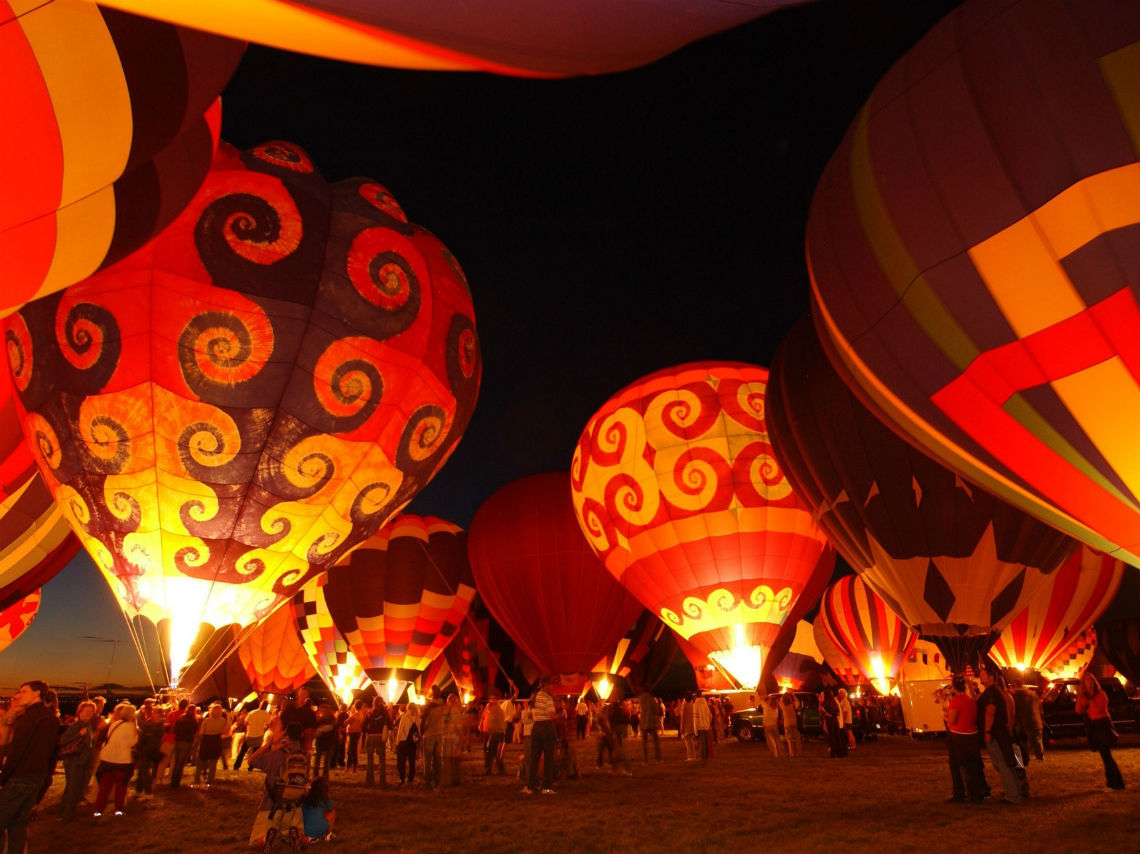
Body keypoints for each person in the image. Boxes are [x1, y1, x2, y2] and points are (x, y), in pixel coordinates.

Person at [0, 680, 58, 851]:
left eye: (24, 691)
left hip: (20, 778)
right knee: (17, 824)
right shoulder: (48, 717)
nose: (19, 694)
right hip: (34, 778)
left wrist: (3, 778)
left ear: (36, 694)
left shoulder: (32, 717)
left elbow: (18, 752)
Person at [249, 721, 308, 853]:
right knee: (293, 826)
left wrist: (270, 743)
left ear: (286, 735)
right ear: (302, 735)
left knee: (256, 841)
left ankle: (264, 839)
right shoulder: (305, 756)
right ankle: (293, 835)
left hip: (271, 804)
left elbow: (252, 760)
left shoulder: (276, 754)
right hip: (294, 804)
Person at [977, 667, 1024, 803]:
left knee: (1003, 764)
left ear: (991, 676)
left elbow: (990, 711)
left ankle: (1013, 796)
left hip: (995, 734)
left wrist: (987, 731)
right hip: (1000, 733)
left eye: (983, 675)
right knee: (1007, 763)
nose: (980, 677)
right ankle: (1016, 792)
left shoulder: (992, 692)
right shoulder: (994, 691)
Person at [1074, 670, 1125, 790]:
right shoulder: (1084, 696)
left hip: (1103, 725)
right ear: (1083, 683)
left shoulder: (1101, 694)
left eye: (1091, 679)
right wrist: (1082, 699)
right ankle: (1112, 781)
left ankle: (1116, 781)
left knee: (1106, 754)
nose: (1089, 681)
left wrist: (1090, 699)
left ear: (1094, 681)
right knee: (1105, 755)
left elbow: (1099, 709)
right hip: (1093, 726)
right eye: (1086, 679)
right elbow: (1078, 710)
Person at [941, 675, 985, 803]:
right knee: (972, 767)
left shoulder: (956, 701)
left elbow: (953, 720)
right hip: (972, 735)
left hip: (958, 737)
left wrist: (945, 717)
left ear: (954, 686)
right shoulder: (971, 700)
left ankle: (959, 793)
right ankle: (977, 793)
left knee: (956, 766)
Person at [92, 702, 139, 817]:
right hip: (122, 761)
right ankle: (118, 809)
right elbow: (131, 743)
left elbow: (109, 737)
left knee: (104, 787)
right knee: (121, 787)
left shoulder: (114, 724)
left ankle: (98, 810)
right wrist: (137, 735)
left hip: (107, 758)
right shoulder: (130, 727)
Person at [58, 699, 99, 822]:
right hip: (74, 762)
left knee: (74, 788)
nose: (88, 714)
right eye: (86, 711)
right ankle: (67, 816)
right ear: (79, 712)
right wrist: (78, 734)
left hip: (83, 762)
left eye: (91, 712)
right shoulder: (75, 726)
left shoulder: (88, 725)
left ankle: (64, 813)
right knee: (73, 789)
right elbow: (62, 741)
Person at [523, 678, 558, 794]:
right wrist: (561, 715)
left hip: (536, 728)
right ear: (546, 685)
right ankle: (546, 787)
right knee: (548, 758)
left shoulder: (534, 697)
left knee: (534, 758)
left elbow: (529, 715)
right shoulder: (547, 698)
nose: (552, 687)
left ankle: (531, 786)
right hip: (546, 727)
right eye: (551, 685)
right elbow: (551, 715)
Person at [194, 702, 230, 788]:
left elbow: (201, 732)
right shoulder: (223, 720)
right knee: (213, 764)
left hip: (206, 741)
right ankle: (210, 782)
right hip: (216, 741)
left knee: (200, 762)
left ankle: (196, 781)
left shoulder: (207, 720)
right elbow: (224, 731)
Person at [134, 701, 166, 795]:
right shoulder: (149, 722)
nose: (152, 713)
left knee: (144, 770)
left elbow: (155, 740)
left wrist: (144, 748)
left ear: (159, 715)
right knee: (141, 770)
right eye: (152, 712)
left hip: (149, 751)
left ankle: (148, 792)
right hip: (143, 749)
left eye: (154, 712)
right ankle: (139, 790)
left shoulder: (159, 726)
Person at [170, 700, 199, 788]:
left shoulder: (180, 718)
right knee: (181, 763)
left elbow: (174, 730)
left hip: (178, 741)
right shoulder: (193, 720)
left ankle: (173, 780)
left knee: (176, 762)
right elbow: (194, 731)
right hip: (186, 742)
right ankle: (176, 782)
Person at [362, 697, 391, 787]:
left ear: (373, 703)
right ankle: (382, 781)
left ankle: (370, 780)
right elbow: (390, 725)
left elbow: (363, 726)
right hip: (380, 737)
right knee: (382, 760)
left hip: (370, 737)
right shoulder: (384, 713)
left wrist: (368, 730)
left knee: (369, 760)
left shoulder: (369, 713)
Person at [301, 776, 336, 844]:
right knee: (332, 812)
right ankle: (328, 835)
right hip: (320, 828)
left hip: (305, 829)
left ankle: (310, 838)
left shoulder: (306, 799)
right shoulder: (325, 800)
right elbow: (330, 808)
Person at [239, 701, 272, 770]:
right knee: (254, 754)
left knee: (242, 752)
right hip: (259, 735)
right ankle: (250, 767)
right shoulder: (266, 714)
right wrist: (263, 729)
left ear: (260, 704)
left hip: (250, 734)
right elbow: (268, 724)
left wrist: (249, 727)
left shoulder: (252, 712)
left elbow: (246, 722)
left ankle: (236, 766)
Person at [480, 694, 508, 776]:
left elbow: (494, 722)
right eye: (490, 699)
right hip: (490, 732)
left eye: (493, 699)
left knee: (490, 751)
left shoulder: (497, 710)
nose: (491, 701)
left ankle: (488, 770)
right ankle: (500, 769)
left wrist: (492, 731)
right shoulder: (489, 709)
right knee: (492, 752)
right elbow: (485, 719)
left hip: (495, 733)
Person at [394, 704, 420, 786]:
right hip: (412, 743)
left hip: (403, 741)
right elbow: (418, 731)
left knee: (401, 762)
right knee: (411, 762)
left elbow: (400, 731)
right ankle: (410, 779)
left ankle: (402, 779)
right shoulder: (417, 718)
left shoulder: (404, 718)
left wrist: (397, 743)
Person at [819, 690, 846, 758]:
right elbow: (838, 712)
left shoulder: (825, 703)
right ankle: (840, 753)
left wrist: (827, 714)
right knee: (837, 737)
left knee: (832, 737)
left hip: (830, 721)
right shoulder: (835, 702)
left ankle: (833, 753)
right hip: (835, 720)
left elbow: (822, 711)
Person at [638, 689, 661, 763]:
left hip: (644, 723)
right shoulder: (652, 700)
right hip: (652, 723)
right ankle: (658, 759)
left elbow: (640, 710)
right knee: (655, 742)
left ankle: (645, 760)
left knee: (644, 744)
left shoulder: (641, 699)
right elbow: (656, 710)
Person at [779, 692, 802, 757]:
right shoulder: (793, 705)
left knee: (789, 739)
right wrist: (793, 695)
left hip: (787, 723)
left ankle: (792, 753)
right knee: (797, 738)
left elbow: (780, 702)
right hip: (794, 723)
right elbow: (798, 702)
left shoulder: (783, 706)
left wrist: (782, 696)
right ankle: (798, 753)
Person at [692, 693, 711, 762]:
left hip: (700, 726)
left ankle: (703, 756)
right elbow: (709, 715)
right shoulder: (705, 703)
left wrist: (695, 729)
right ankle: (707, 755)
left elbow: (695, 718)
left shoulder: (695, 704)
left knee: (702, 742)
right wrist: (708, 723)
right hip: (706, 725)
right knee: (706, 742)